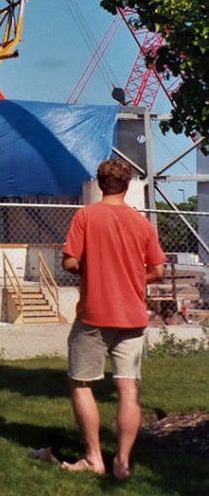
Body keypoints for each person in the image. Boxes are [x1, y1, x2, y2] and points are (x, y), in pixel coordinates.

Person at [61, 158, 165, 480]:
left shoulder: (85, 216)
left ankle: (94, 458)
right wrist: (130, 278)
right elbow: (158, 270)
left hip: (94, 314)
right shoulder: (142, 223)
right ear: (128, 184)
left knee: (80, 383)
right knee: (128, 387)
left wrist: (91, 270)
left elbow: (69, 262)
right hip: (133, 316)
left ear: (100, 183)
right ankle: (122, 462)